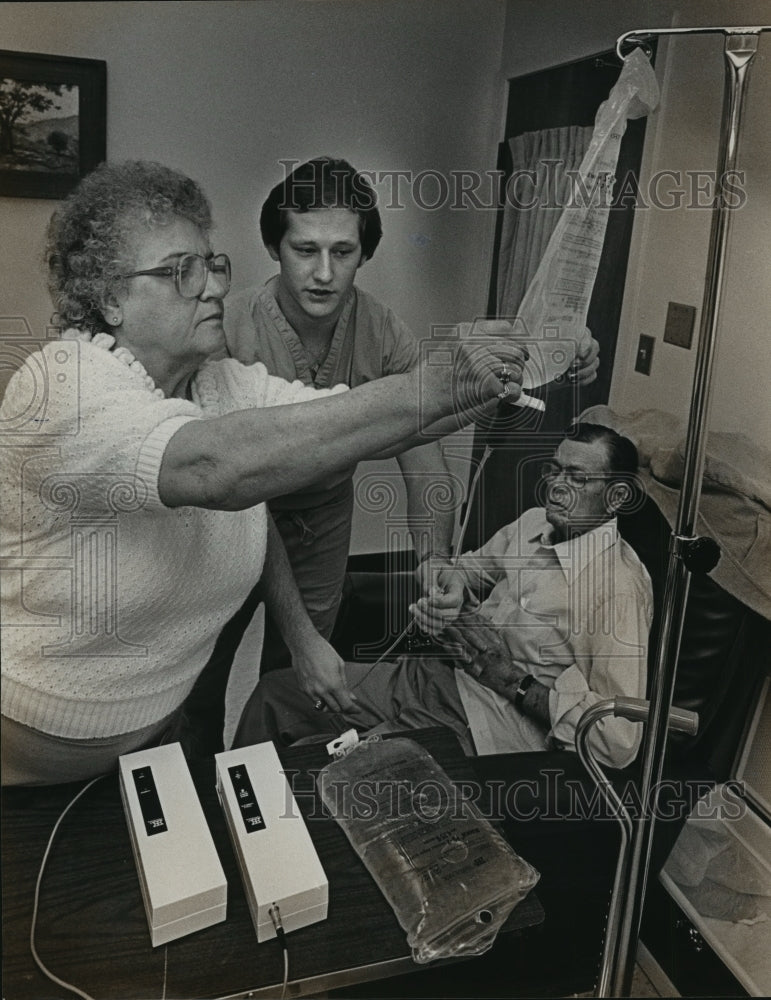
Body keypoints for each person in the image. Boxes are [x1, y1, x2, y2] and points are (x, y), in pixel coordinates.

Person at [0, 159, 528, 786]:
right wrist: (445, 382)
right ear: (111, 297)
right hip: (34, 758)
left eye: (211, 264)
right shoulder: (65, 381)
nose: (213, 287)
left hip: (149, 734)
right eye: (180, 272)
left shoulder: (221, 382)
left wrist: (517, 375)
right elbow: (217, 466)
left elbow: (349, 423)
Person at [223, 157, 601, 673]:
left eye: (344, 251)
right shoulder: (228, 330)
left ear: (365, 253)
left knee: (296, 673)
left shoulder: (380, 330)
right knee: (202, 663)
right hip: (231, 515)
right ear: (274, 247)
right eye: (305, 250)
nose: (324, 273)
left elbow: (422, 451)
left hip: (321, 518)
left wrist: (433, 558)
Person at [239, 423, 654, 770]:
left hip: (477, 720)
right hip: (427, 676)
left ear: (616, 497)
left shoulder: (617, 590)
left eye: (577, 479)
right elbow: (464, 573)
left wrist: (517, 683)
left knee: (329, 771)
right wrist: (448, 594)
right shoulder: (532, 525)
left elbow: (617, 740)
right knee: (277, 694)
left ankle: (269, 845)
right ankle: (222, 818)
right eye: (554, 471)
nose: (557, 488)